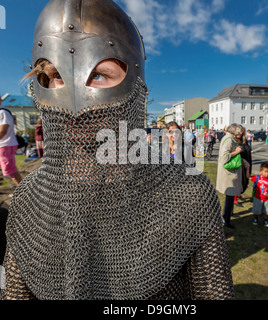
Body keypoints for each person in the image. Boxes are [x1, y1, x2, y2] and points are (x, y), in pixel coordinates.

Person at [1, 0, 234, 300]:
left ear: (137, 89)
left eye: (98, 75)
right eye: (57, 75)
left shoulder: (187, 193)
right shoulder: (28, 201)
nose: (75, 104)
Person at [216, 123, 244, 228]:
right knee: (230, 197)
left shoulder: (228, 138)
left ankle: (228, 216)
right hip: (229, 174)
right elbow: (224, 158)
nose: (241, 133)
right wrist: (236, 152)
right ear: (234, 132)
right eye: (240, 131)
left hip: (229, 173)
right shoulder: (228, 140)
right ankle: (226, 220)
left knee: (230, 197)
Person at [0, 97, 22, 186]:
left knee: (11, 170)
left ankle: (23, 192)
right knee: (10, 169)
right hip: (5, 144)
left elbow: (3, 130)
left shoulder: (2, 112)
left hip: (6, 145)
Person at [251, 163, 268, 227]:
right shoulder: (257, 177)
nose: (267, 173)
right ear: (260, 171)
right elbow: (249, 177)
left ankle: (265, 220)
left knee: (266, 211)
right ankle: (255, 219)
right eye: (265, 172)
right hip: (258, 198)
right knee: (256, 210)